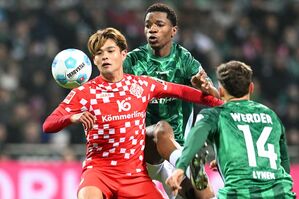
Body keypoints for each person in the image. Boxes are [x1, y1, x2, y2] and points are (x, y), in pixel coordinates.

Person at [43, 27, 222, 199]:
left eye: (110, 50)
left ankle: (188, 168)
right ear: (94, 61)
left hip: (134, 175)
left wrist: (220, 103)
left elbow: (183, 92)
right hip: (99, 172)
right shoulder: (83, 93)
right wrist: (73, 117)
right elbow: (49, 124)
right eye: (99, 53)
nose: (104, 56)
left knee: (161, 131)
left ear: (123, 55)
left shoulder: (142, 85)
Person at [123, 3, 218, 199]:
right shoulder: (133, 61)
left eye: (159, 24)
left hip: (177, 147)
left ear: (173, 31)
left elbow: (214, 98)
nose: (152, 29)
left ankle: (191, 168)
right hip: (145, 147)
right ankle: (188, 162)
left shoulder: (184, 59)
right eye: (148, 25)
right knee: (161, 129)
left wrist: (206, 88)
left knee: (199, 196)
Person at [166, 60, 296, 198]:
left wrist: (180, 168)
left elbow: (195, 137)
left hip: (239, 194)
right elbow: (284, 164)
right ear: (251, 88)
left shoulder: (216, 115)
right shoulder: (271, 116)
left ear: (221, 91)